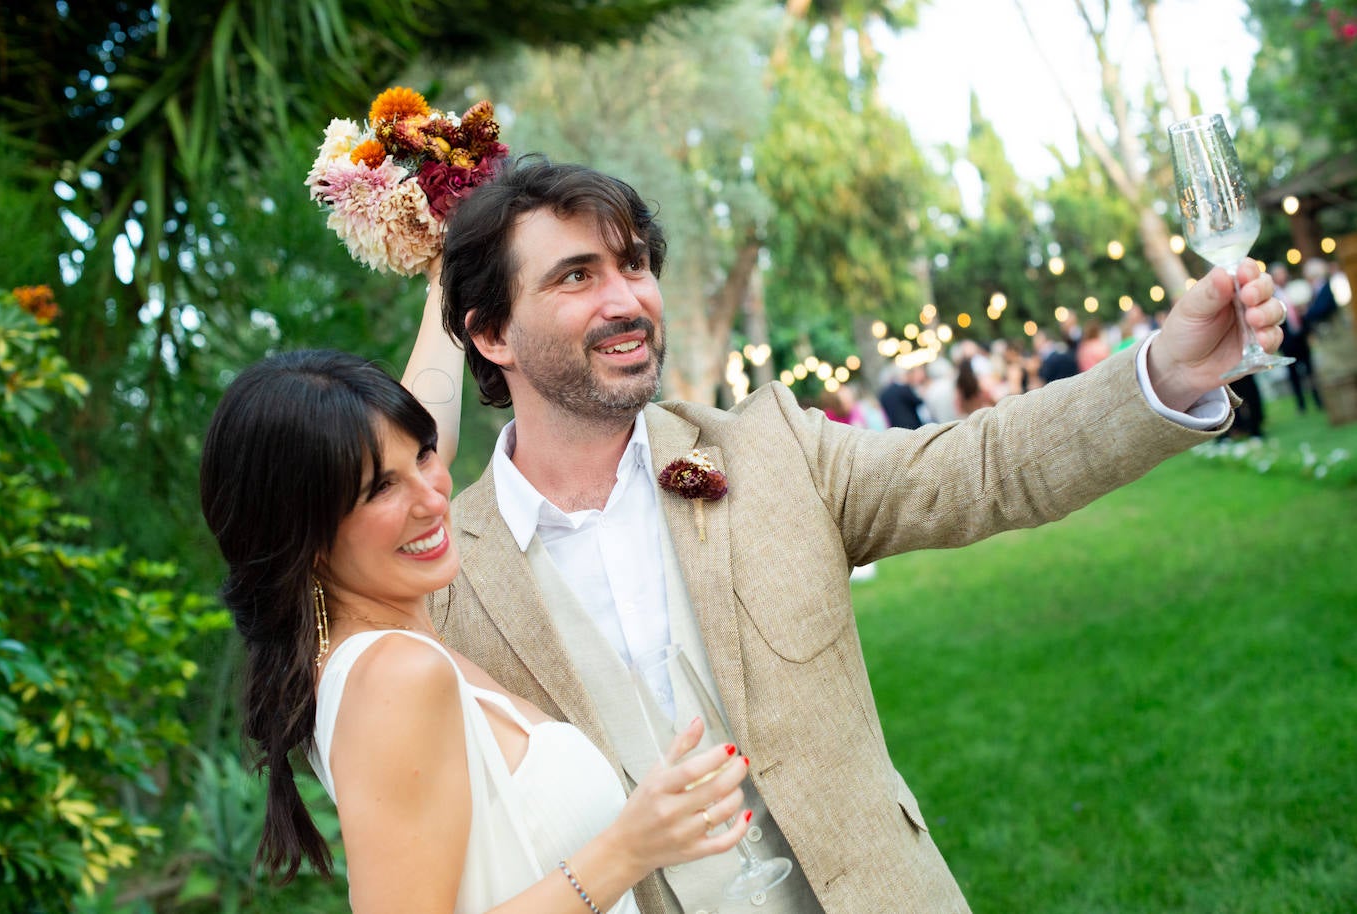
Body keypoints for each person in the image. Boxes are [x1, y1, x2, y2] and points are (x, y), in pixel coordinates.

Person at [423, 157, 1285, 914]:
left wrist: (1166, 373)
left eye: (635, 265)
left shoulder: (772, 451)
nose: (627, 299)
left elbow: (985, 467)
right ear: (490, 332)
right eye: (576, 277)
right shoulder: (444, 578)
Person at [198, 349, 751, 914]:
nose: (433, 497)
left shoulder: (361, 651)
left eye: (424, 454)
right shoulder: (397, 676)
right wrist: (626, 851)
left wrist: (441, 284)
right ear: (305, 533)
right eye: (382, 489)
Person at [1273, 264, 1323, 413]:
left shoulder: (1295, 289)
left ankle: (1318, 400)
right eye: (1279, 274)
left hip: (1300, 335)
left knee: (1310, 369)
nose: (1282, 277)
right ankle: (1301, 404)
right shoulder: (1273, 295)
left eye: (1284, 273)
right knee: (1293, 374)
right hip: (1287, 339)